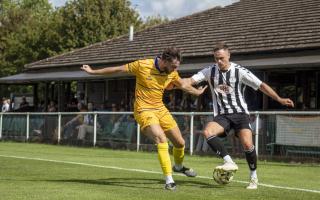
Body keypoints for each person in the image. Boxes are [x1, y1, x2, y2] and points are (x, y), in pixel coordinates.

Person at [81, 47, 207, 190]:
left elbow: (183, 84)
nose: (174, 70)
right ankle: (169, 180)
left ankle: (178, 166)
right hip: (143, 110)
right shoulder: (142, 65)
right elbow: (117, 69)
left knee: (180, 143)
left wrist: (197, 92)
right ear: (164, 61)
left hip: (160, 109)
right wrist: (92, 71)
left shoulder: (171, 72)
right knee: (161, 139)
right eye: (172, 66)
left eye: (176, 67)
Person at [181, 42, 294, 189]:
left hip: (240, 113)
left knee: (248, 144)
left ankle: (253, 177)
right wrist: (180, 83)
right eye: (216, 59)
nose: (219, 61)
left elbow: (261, 85)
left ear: (229, 55)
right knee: (208, 132)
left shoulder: (239, 71)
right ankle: (229, 161)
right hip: (222, 115)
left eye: (221, 58)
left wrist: (279, 99)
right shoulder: (209, 71)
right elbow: (189, 81)